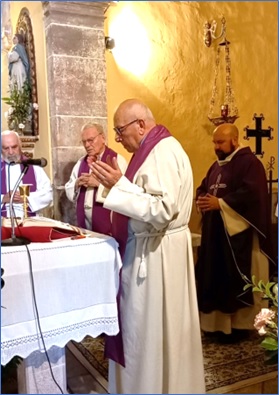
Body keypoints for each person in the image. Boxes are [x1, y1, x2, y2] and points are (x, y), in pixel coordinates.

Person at [90, 99, 205, 394]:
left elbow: (162, 211)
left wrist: (119, 186)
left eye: (120, 130)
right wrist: (117, 186)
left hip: (157, 255)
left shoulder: (163, 152)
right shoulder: (153, 149)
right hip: (153, 251)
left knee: (148, 332)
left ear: (141, 125)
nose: (117, 138)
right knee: (153, 331)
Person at [195, 123, 275, 342]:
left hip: (238, 239)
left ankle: (239, 327)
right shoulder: (216, 166)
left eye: (220, 142)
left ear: (235, 140)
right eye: (214, 142)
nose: (216, 147)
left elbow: (253, 195)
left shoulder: (250, 164)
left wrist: (220, 203)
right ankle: (216, 327)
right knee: (214, 276)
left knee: (235, 281)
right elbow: (204, 187)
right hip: (216, 237)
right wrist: (202, 198)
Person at [65, 123, 127, 235]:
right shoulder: (80, 163)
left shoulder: (116, 160)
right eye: (84, 142)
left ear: (103, 138)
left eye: (90, 140)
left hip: (108, 228)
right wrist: (77, 183)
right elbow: (69, 186)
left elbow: (125, 192)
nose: (87, 145)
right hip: (85, 226)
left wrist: (99, 184)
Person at [1, 130, 53, 218]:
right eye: (6, 148)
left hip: (30, 220)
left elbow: (48, 193)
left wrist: (26, 199)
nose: (10, 152)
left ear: (20, 145)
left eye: (14, 147)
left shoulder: (34, 167)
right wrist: (3, 198)